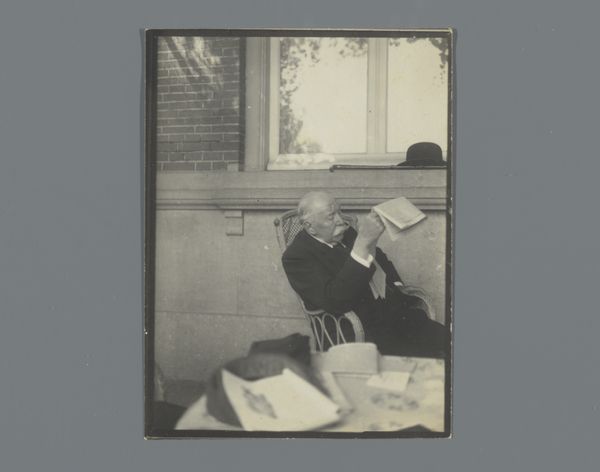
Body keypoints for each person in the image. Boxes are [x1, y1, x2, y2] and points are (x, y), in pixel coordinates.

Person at [281, 191, 447, 358]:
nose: (341, 220)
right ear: (310, 227)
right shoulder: (296, 257)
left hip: (395, 317)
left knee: (449, 342)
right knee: (427, 362)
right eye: (331, 216)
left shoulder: (345, 233)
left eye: (340, 211)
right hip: (356, 332)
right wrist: (362, 243)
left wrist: (396, 285)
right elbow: (335, 300)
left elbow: (379, 257)